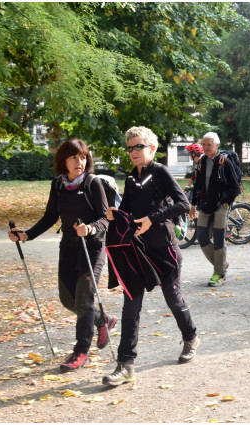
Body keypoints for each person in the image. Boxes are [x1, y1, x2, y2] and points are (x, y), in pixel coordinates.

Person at [102, 126, 199, 387]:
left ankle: (190, 337)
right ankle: (125, 364)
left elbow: (182, 204)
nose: (133, 151)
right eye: (130, 147)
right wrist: (116, 214)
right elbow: (128, 208)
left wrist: (152, 220)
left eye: (139, 146)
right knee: (131, 305)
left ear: (151, 148)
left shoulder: (160, 172)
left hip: (164, 249)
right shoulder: (131, 178)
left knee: (173, 299)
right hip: (138, 251)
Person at [8, 139, 114, 373]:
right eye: (74, 157)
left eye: (83, 157)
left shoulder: (92, 183)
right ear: (63, 161)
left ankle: (81, 351)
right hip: (68, 247)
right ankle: (102, 319)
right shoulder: (58, 185)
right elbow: (50, 217)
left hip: (92, 247)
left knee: (84, 300)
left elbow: (105, 218)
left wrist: (91, 228)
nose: (80, 162)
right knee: (68, 300)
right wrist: (26, 235)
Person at [190, 132, 241, 287]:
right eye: (203, 144)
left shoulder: (225, 162)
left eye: (209, 144)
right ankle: (221, 264)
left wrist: (225, 203)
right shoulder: (202, 161)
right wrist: (193, 205)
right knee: (202, 237)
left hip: (221, 206)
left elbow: (235, 188)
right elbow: (197, 185)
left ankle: (219, 274)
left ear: (217, 145)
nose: (205, 148)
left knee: (219, 239)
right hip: (205, 205)